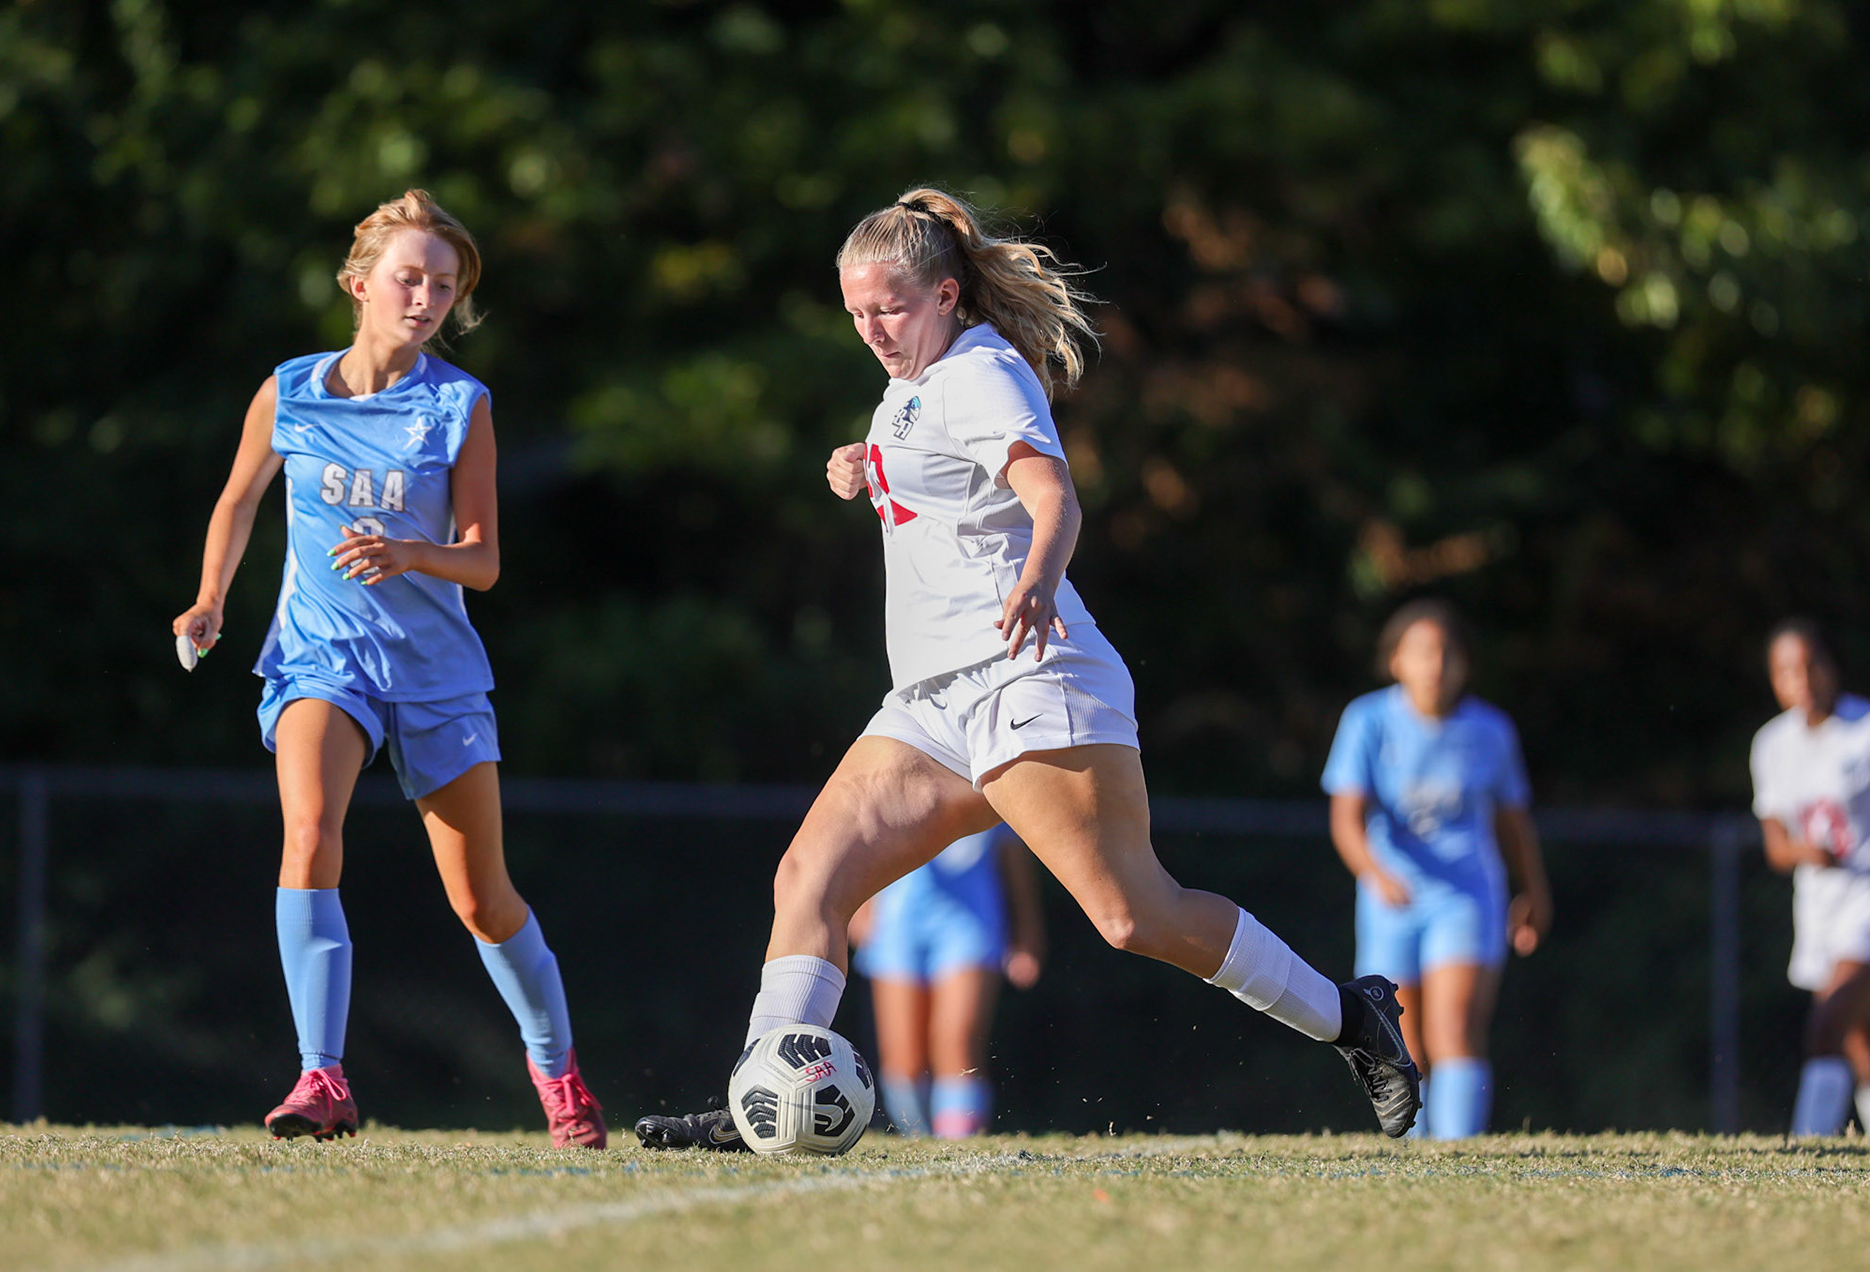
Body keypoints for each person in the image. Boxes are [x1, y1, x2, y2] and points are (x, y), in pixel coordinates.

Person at [635, 186, 1420, 1151]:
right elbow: (938, 477)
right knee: (809, 879)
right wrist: (863, 463)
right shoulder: (913, 385)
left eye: (890, 307)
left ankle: (1354, 1021)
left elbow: (1052, 495)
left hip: (1028, 678)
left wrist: (1042, 577)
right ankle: (761, 1099)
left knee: (1134, 914)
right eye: (856, 312)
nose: (873, 328)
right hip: (931, 701)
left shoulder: (982, 372)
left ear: (948, 295)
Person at [172, 189, 605, 1149]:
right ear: (360, 283)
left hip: (436, 674)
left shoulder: (460, 404)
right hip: (323, 659)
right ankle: (321, 1076)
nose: (426, 297)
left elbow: (484, 559)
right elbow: (240, 500)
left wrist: (417, 553)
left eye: (443, 286)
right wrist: (210, 599)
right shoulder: (291, 389)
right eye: (410, 278)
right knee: (310, 834)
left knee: (481, 899)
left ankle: (559, 1075)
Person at [1321, 600, 1552, 1139]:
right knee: (1400, 1040)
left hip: (1467, 898)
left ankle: (1458, 1149)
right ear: (1396, 661)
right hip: (1391, 901)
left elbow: (1513, 823)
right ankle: (1412, 1152)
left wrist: (1535, 890)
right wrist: (1375, 873)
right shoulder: (1368, 720)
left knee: (1455, 1030)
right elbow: (1346, 819)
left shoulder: (1489, 731)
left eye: (1448, 654)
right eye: (1422, 652)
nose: (1436, 665)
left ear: (1466, 665)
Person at [1750, 619, 1870, 1136]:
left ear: (1831, 664)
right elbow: (1777, 846)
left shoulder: (1864, 729)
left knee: (1825, 1024)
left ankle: (1808, 1150)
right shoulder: (1772, 745)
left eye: (1811, 665)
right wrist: (1807, 850)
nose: (1801, 679)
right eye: (1786, 671)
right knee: (1859, 1038)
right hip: (1819, 903)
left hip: (1865, 897)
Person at [848, 823, 1045, 1136]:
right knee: (902, 1058)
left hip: (970, 927)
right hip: (897, 924)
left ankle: (958, 1143)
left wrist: (1028, 934)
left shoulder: (991, 784)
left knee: (956, 1040)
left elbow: (1015, 864)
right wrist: (858, 906)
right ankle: (920, 1140)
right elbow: (869, 840)